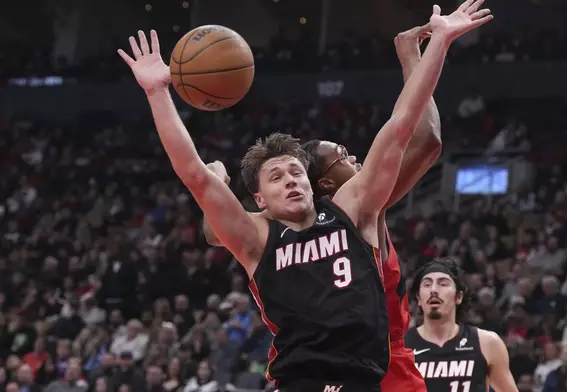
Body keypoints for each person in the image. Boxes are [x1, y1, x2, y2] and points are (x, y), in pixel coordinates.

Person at [118, 1, 492, 390]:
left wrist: (440, 43)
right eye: (276, 177)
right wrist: (158, 91)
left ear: (313, 185)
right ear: (260, 199)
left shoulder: (354, 209)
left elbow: (402, 126)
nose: (291, 180)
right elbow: (194, 174)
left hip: (366, 377)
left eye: (296, 172)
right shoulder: (257, 238)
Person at [201, 20, 451, 392]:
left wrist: (216, 187)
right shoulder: (358, 209)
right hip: (370, 366)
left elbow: (213, 232)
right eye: (344, 156)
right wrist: (410, 58)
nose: (357, 160)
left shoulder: (308, 217)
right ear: (327, 185)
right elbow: (427, 140)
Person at [406, 258, 518, 392]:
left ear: (459, 296)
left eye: (443, 284)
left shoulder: (487, 343)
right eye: (427, 284)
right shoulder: (400, 347)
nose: (434, 290)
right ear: (418, 298)